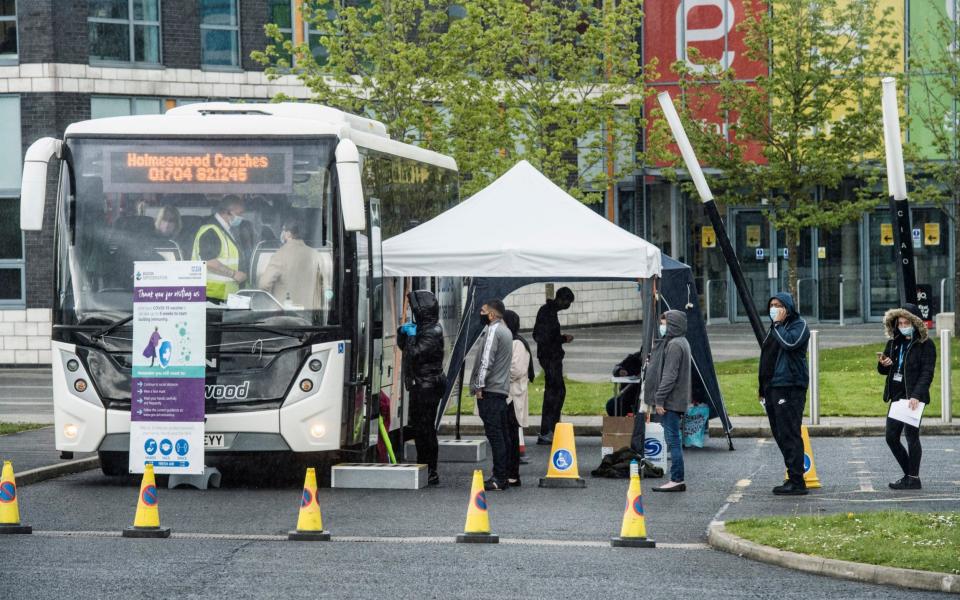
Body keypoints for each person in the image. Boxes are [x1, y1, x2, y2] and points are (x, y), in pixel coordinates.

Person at [877, 303, 936, 490]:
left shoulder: (926, 345)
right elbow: (883, 370)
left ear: (915, 323)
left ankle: (913, 477)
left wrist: (917, 395)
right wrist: (884, 364)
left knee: (911, 436)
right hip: (897, 395)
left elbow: (927, 373)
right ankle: (910, 474)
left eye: (906, 322)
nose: (903, 326)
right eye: (900, 323)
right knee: (891, 437)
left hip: (913, 396)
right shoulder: (894, 342)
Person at [758, 292, 810, 496]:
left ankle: (797, 481)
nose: (774, 308)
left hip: (790, 386)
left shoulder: (798, 325)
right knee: (780, 433)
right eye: (771, 304)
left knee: (790, 432)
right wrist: (762, 388)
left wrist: (778, 325)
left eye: (778, 305)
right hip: (773, 387)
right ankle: (792, 474)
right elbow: (767, 358)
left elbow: (790, 344)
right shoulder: (774, 329)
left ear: (787, 308)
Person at [396, 290, 445, 486]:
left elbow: (413, 354)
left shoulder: (432, 332)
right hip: (423, 384)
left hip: (428, 385)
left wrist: (409, 337)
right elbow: (407, 350)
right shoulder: (426, 328)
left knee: (425, 429)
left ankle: (430, 469)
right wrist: (403, 334)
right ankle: (425, 465)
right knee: (421, 429)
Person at [644, 311, 691, 492]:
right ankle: (676, 478)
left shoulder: (674, 345)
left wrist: (659, 399)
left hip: (671, 401)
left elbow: (669, 376)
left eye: (664, 323)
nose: (662, 326)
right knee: (674, 439)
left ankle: (676, 479)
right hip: (677, 400)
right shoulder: (682, 342)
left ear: (673, 325)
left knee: (673, 441)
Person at [470, 299, 514, 491]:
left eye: (482, 310)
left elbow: (486, 360)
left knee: (495, 436)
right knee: (502, 436)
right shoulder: (506, 331)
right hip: (501, 390)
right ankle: (504, 475)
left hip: (490, 390)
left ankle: (499, 477)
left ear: (492, 314)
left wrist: (479, 387)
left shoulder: (494, 330)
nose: (480, 313)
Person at [533, 286, 575, 445]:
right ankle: (547, 430)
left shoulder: (548, 311)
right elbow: (544, 336)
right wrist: (562, 339)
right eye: (567, 302)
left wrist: (561, 338)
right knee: (554, 394)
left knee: (556, 392)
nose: (567, 306)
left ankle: (550, 428)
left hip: (551, 357)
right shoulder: (547, 312)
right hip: (550, 358)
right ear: (561, 299)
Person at [192, 196, 247, 302]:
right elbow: (208, 262)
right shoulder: (211, 231)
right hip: (213, 297)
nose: (241, 217)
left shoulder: (225, 230)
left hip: (225, 295)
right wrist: (234, 274)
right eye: (239, 214)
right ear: (228, 212)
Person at [259, 219, 324, 309]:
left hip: (286, 312)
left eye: (283, 230)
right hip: (312, 314)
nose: (282, 233)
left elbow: (264, 284)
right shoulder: (316, 255)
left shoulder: (280, 255)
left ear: (288, 233)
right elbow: (323, 285)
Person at [503, 310, 533, 484]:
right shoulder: (511, 341)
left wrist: (495, 374)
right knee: (507, 435)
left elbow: (516, 370)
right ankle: (508, 472)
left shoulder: (517, 344)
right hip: (507, 395)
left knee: (511, 436)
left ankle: (513, 474)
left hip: (512, 396)